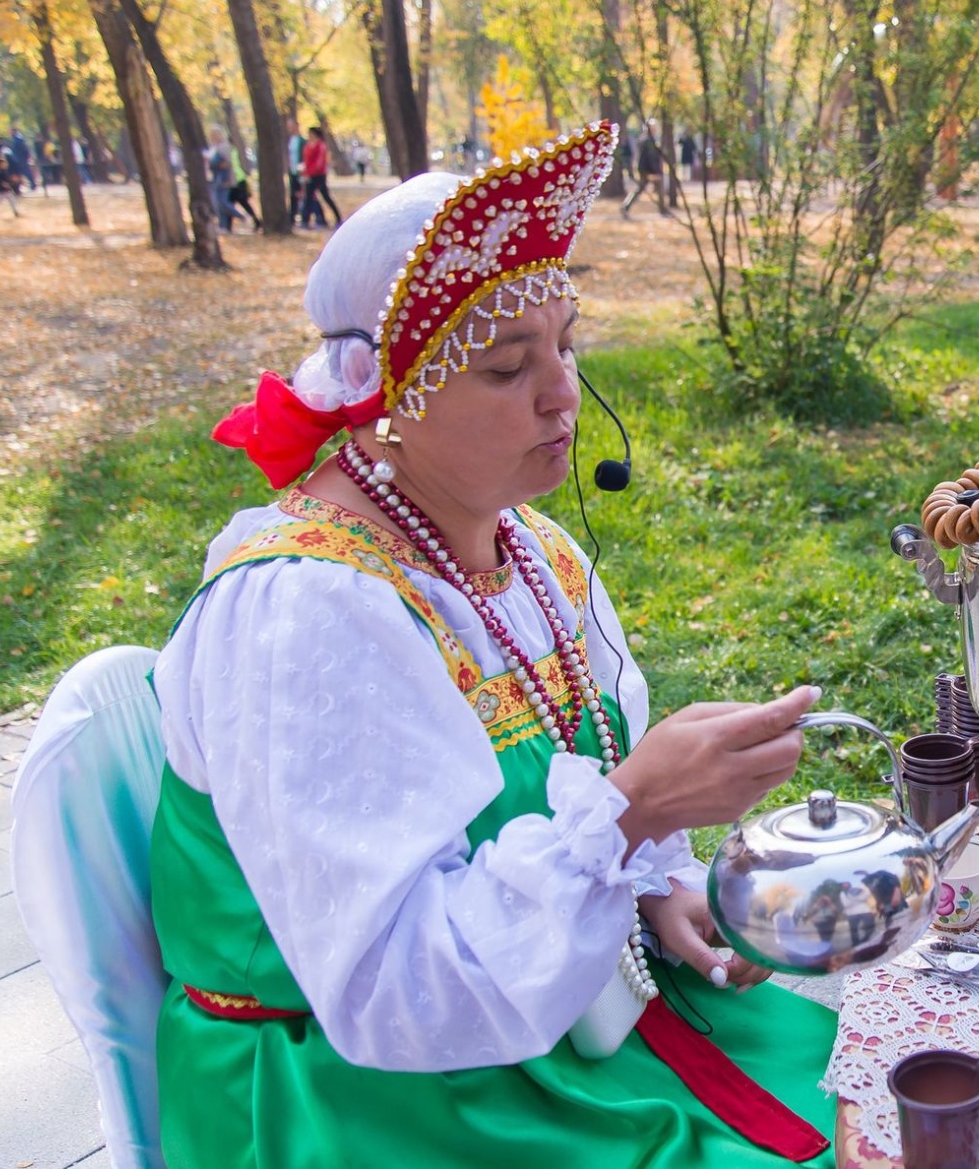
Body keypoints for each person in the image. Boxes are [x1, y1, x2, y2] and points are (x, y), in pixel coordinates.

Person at [165, 121, 837, 1166]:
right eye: (505, 367)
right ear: (387, 403)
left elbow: (592, 775)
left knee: (886, 1076)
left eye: (565, 342)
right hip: (357, 1097)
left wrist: (655, 877)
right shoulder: (305, 610)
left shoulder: (527, 552)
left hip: (535, 1019)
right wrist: (635, 810)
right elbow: (389, 990)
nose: (563, 391)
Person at [621, 120, 667, 218]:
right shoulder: (648, 141)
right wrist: (654, 172)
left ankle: (626, 206)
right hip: (647, 170)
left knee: (644, 189)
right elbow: (650, 158)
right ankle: (663, 210)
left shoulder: (647, 139)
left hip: (646, 169)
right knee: (654, 188)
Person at [299, 125, 342, 227]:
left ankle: (338, 218)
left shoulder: (321, 146)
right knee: (309, 197)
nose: (308, 135)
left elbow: (319, 162)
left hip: (318, 175)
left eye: (310, 133)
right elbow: (306, 160)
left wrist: (310, 173)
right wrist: (305, 172)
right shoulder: (308, 145)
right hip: (309, 174)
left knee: (325, 196)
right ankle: (307, 220)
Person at [285, 118, 308, 226]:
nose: (289, 128)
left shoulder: (302, 141)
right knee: (293, 194)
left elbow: (304, 157)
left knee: (303, 194)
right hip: (292, 172)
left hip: (300, 171)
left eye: (291, 125)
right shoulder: (290, 140)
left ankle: (310, 216)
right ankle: (292, 216)